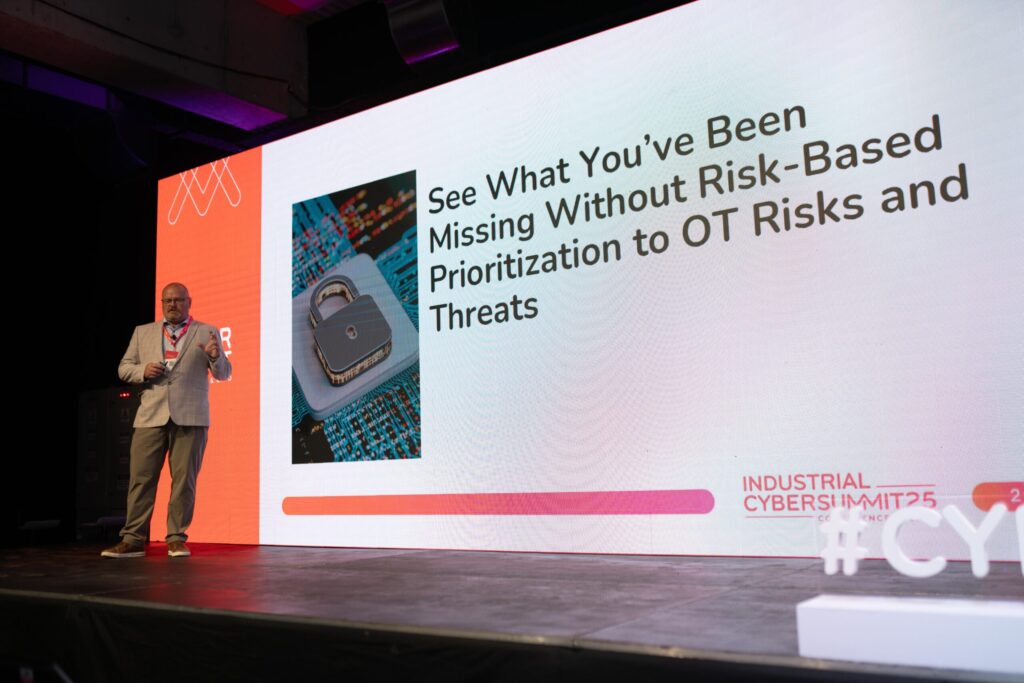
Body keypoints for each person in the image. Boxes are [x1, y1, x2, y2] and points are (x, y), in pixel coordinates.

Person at [101, 283, 232, 558]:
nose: (173, 304)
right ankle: (133, 539)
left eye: (178, 300)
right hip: (150, 415)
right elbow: (123, 368)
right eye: (167, 300)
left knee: (184, 481)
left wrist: (215, 356)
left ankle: (176, 538)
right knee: (141, 480)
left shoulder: (207, 331)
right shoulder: (143, 332)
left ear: (189, 302)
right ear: (162, 303)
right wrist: (143, 370)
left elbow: (224, 373)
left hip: (191, 416)